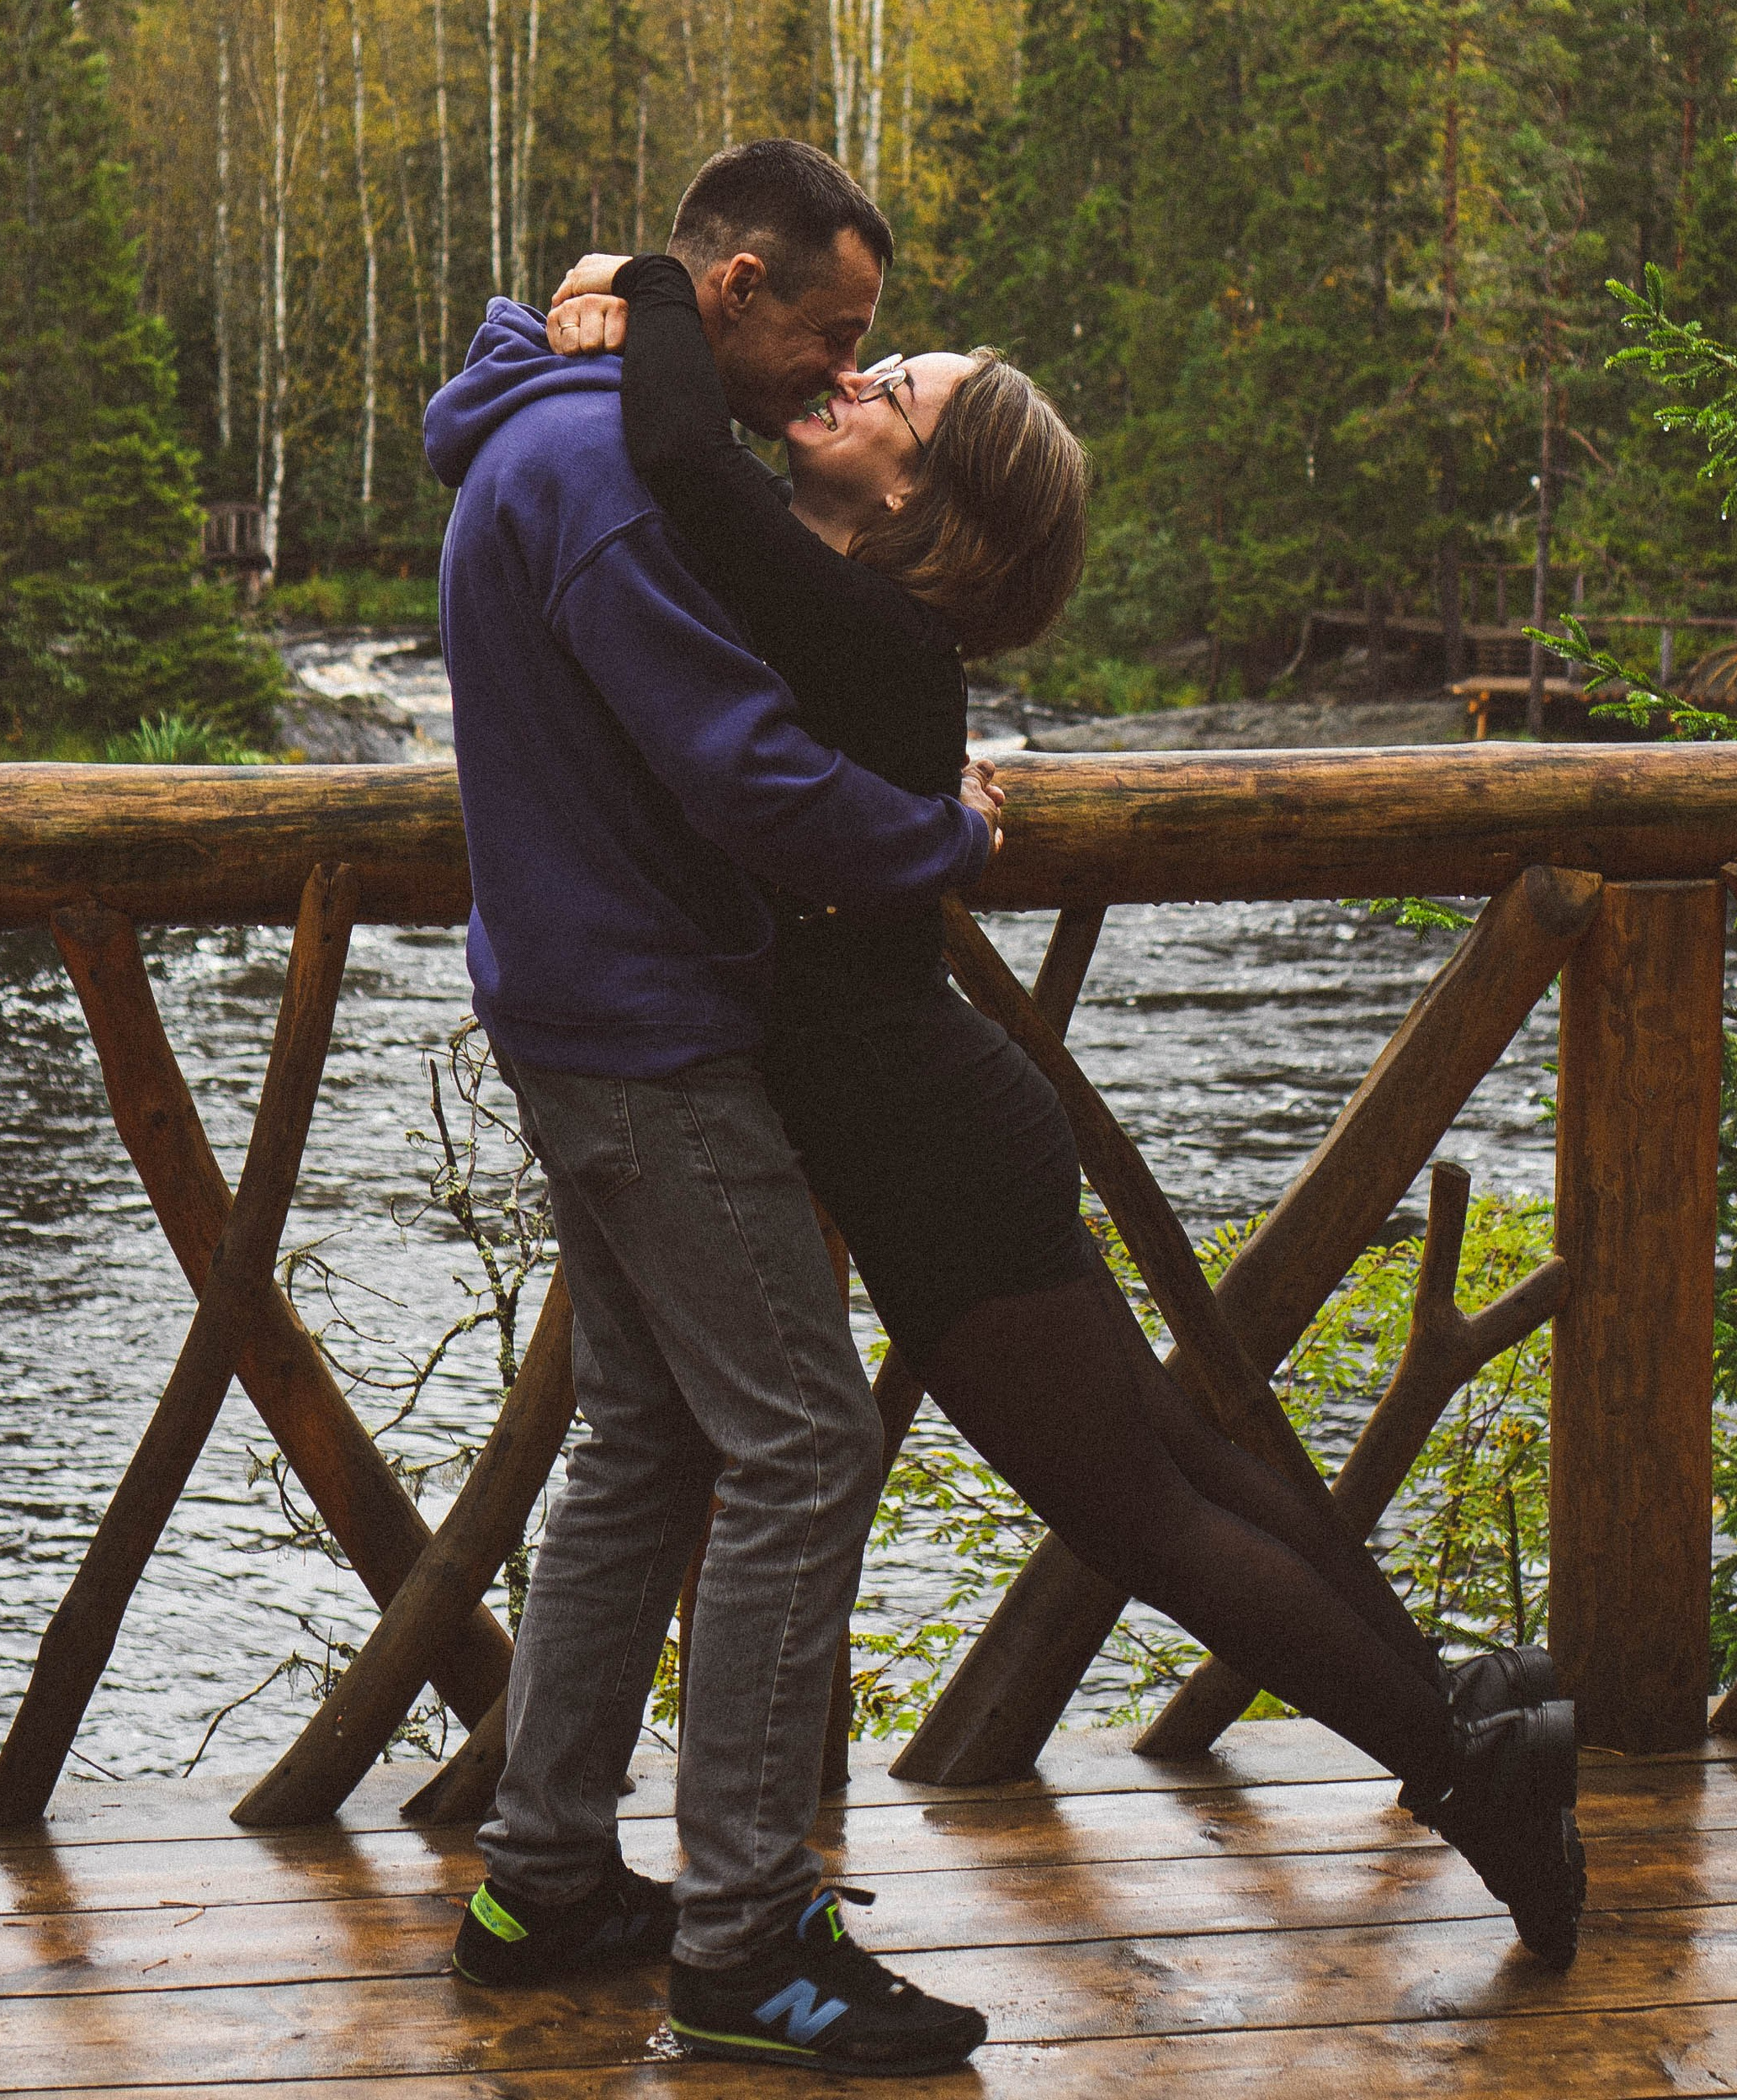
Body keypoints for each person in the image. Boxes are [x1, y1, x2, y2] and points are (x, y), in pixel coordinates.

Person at [545, 241, 1586, 1968]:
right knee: (1174, 1460)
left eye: (895, 389)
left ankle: (1465, 1767)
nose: (854, 381)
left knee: (1140, 1511)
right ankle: (1466, 1713)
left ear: (918, 493)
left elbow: (670, 453)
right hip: (936, 1117)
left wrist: (649, 281)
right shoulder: (858, 628)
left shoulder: (859, 624)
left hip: (923, 1139)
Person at [424, 139, 1002, 2073]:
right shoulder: (606, 474)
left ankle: (542, 1878)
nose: (840, 371)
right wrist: (941, 836)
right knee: (806, 1439)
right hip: (646, 1026)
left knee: (645, 1435)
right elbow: (745, 772)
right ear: (733, 289)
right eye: (832, 331)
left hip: (570, 997)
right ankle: (749, 1941)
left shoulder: (550, 426)